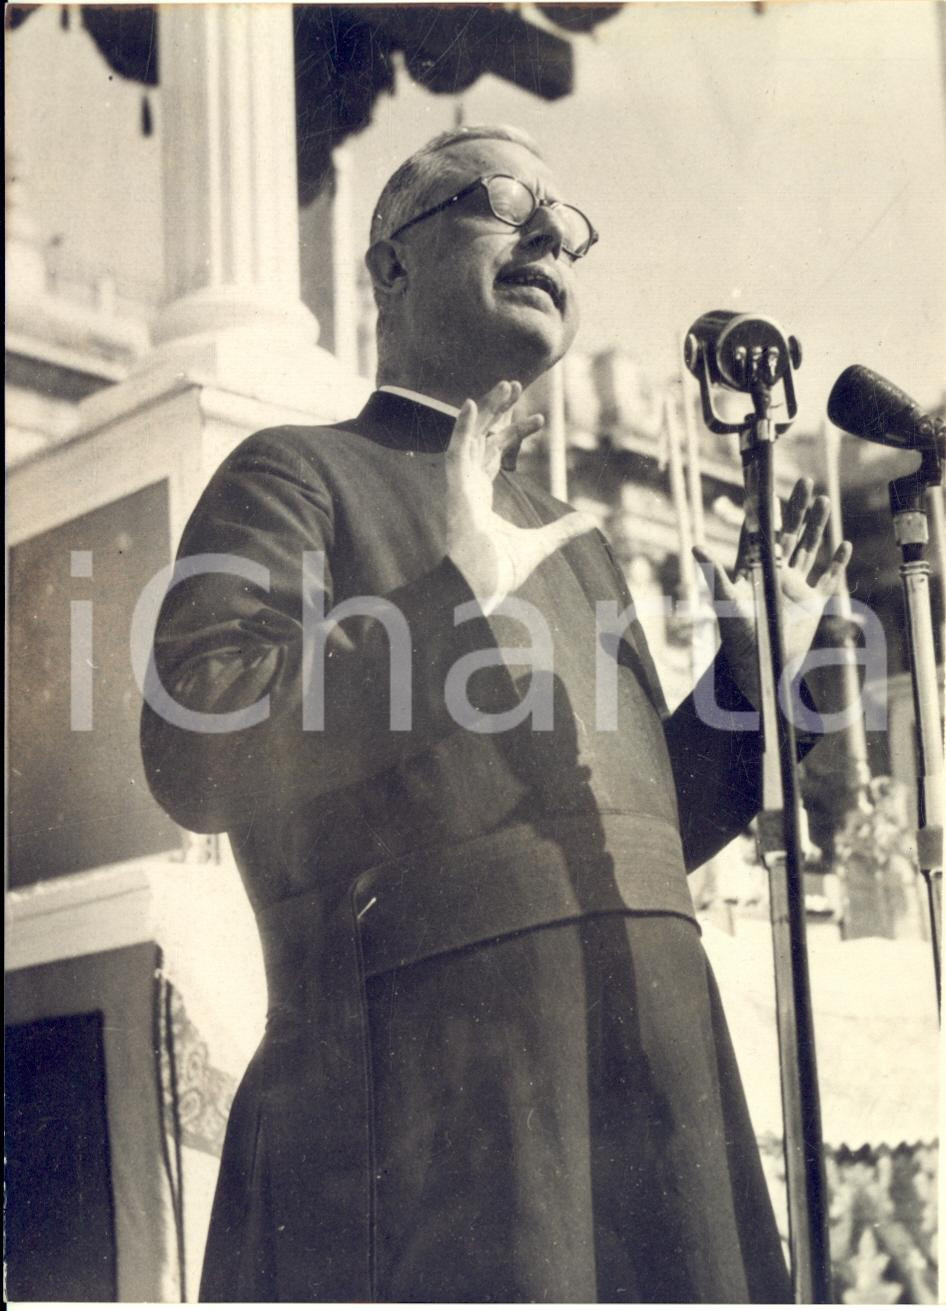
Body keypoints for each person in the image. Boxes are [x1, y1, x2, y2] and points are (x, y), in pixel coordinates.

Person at [141, 125, 851, 1303]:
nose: (547, 241)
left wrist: (757, 681)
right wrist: (446, 596)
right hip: (432, 1107)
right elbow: (196, 747)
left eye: (566, 230)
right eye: (505, 198)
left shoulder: (574, 539)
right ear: (389, 269)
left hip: (647, 1092)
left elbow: (639, 833)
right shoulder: (295, 474)